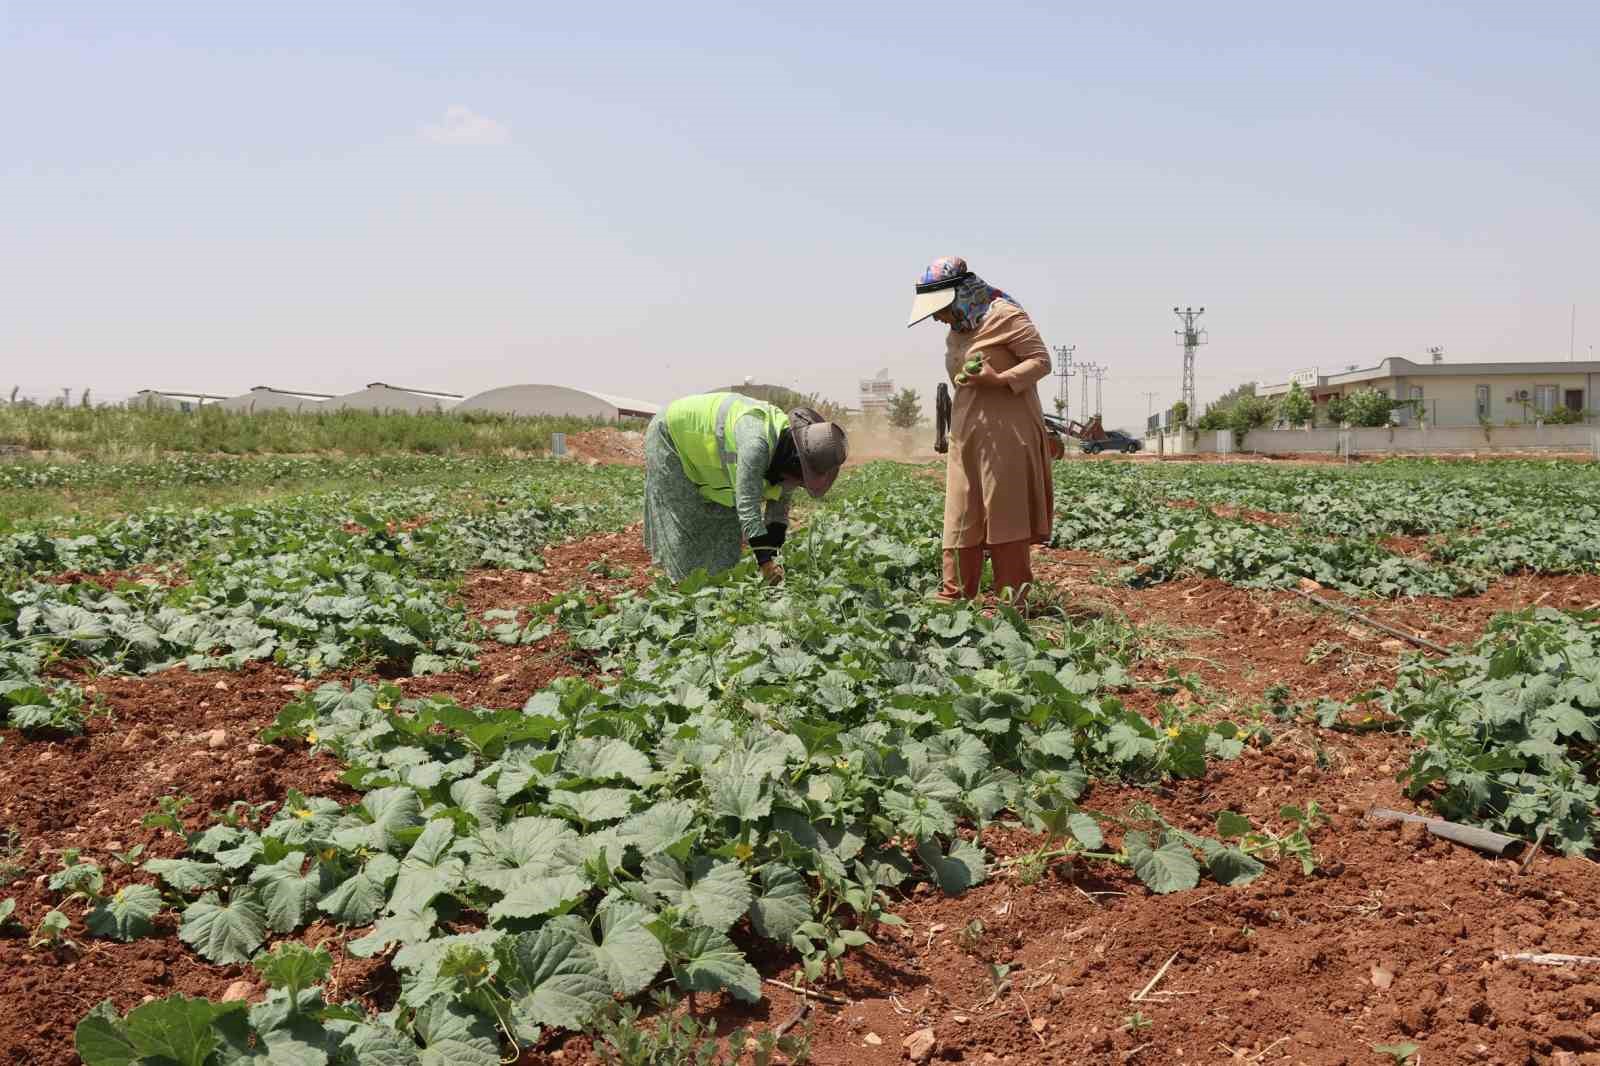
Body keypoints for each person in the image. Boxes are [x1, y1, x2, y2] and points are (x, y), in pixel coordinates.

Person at [907, 256, 1055, 600]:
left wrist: (999, 379)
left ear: (962, 293)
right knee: (959, 514)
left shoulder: (1005, 316)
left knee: (1005, 515)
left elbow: (1041, 361)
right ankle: (953, 598)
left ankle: (1012, 603)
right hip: (966, 432)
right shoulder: (956, 331)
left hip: (1007, 432)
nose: (937, 318)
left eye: (939, 308)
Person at [643, 392, 848, 584]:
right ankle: (678, 588)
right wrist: (765, 564)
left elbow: (778, 510)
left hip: (709, 461)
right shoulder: (757, 444)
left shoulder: (790, 452)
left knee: (726, 528)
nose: (798, 484)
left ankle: (715, 587)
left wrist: (773, 553)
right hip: (671, 436)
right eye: (801, 477)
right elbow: (748, 507)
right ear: (794, 462)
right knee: (685, 522)